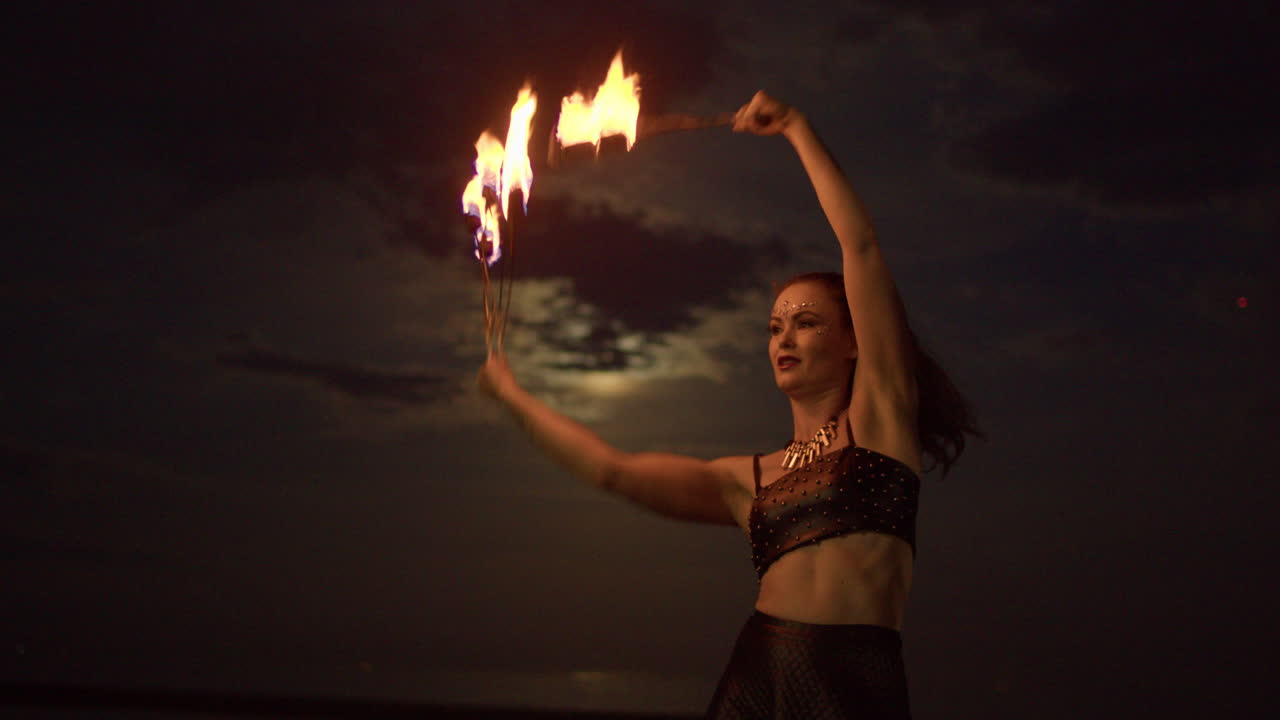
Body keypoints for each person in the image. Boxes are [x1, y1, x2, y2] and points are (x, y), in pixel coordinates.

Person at [477, 91, 981, 720]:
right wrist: (514, 398)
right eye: (774, 328)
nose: (784, 339)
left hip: (853, 684)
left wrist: (797, 127)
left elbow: (861, 247)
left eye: (805, 323)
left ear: (855, 341)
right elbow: (615, 471)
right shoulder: (749, 481)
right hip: (758, 674)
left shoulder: (880, 420)